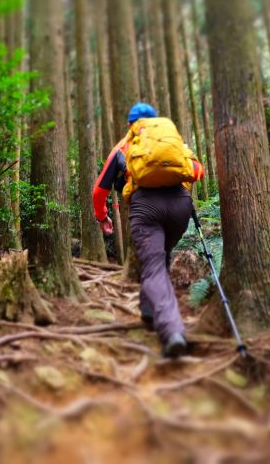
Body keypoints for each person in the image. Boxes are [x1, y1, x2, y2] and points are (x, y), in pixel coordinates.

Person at [92, 102, 205, 358]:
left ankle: (172, 330)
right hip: (180, 205)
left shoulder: (123, 146)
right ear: (156, 122)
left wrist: (102, 217)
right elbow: (198, 171)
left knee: (153, 266)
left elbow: (99, 190)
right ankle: (148, 310)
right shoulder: (173, 142)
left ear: (130, 124)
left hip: (146, 207)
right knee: (159, 258)